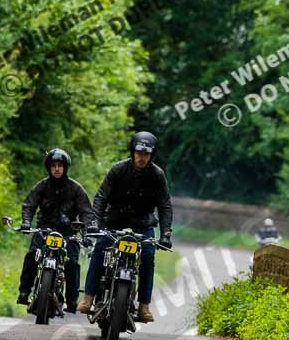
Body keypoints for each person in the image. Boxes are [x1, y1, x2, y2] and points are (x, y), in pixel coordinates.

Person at [78, 131, 173, 323]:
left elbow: (164, 205)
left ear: (151, 155)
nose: (141, 157)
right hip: (114, 220)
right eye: (139, 152)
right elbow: (101, 197)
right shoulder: (118, 169)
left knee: (147, 254)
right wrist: (96, 223)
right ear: (133, 151)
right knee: (101, 246)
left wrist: (166, 234)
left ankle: (144, 305)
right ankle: (88, 297)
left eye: (146, 154)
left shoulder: (157, 175)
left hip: (143, 222)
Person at [17, 148, 94, 313]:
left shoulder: (76, 189)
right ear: (49, 167)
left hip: (69, 232)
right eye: (54, 166)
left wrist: (87, 233)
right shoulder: (42, 186)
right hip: (45, 229)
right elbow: (29, 205)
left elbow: (87, 213)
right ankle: (24, 291)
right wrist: (26, 222)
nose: (57, 169)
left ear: (65, 168)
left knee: (72, 263)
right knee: (32, 255)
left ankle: (72, 300)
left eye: (60, 165)